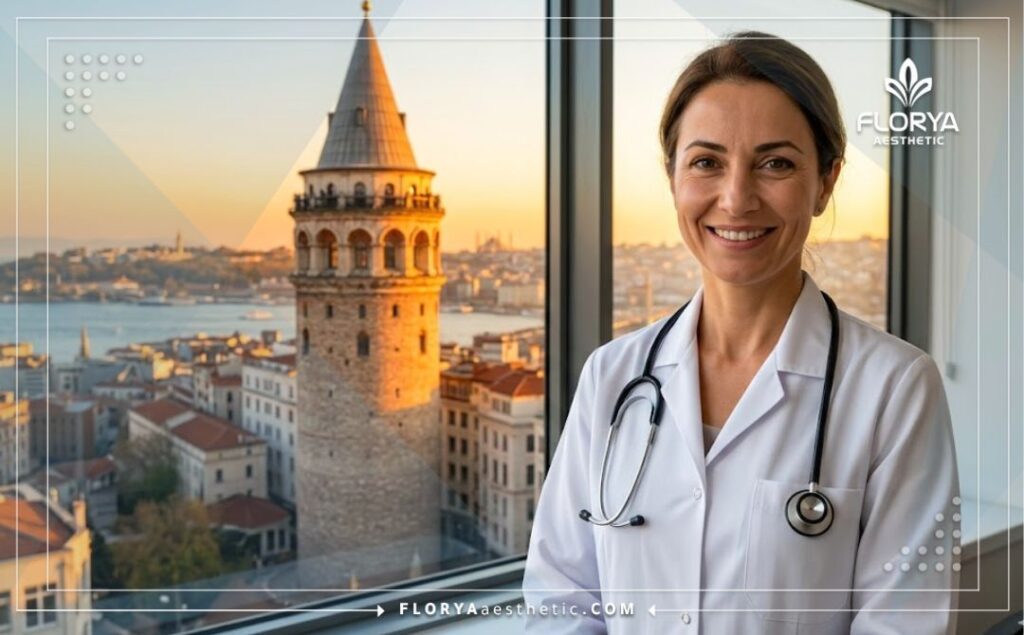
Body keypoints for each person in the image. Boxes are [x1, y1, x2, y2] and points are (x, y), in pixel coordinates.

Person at [523, 31, 960, 634]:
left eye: (775, 163)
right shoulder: (612, 376)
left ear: (826, 183)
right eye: (706, 162)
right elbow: (561, 599)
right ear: (673, 176)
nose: (736, 198)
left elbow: (905, 624)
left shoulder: (896, 388)